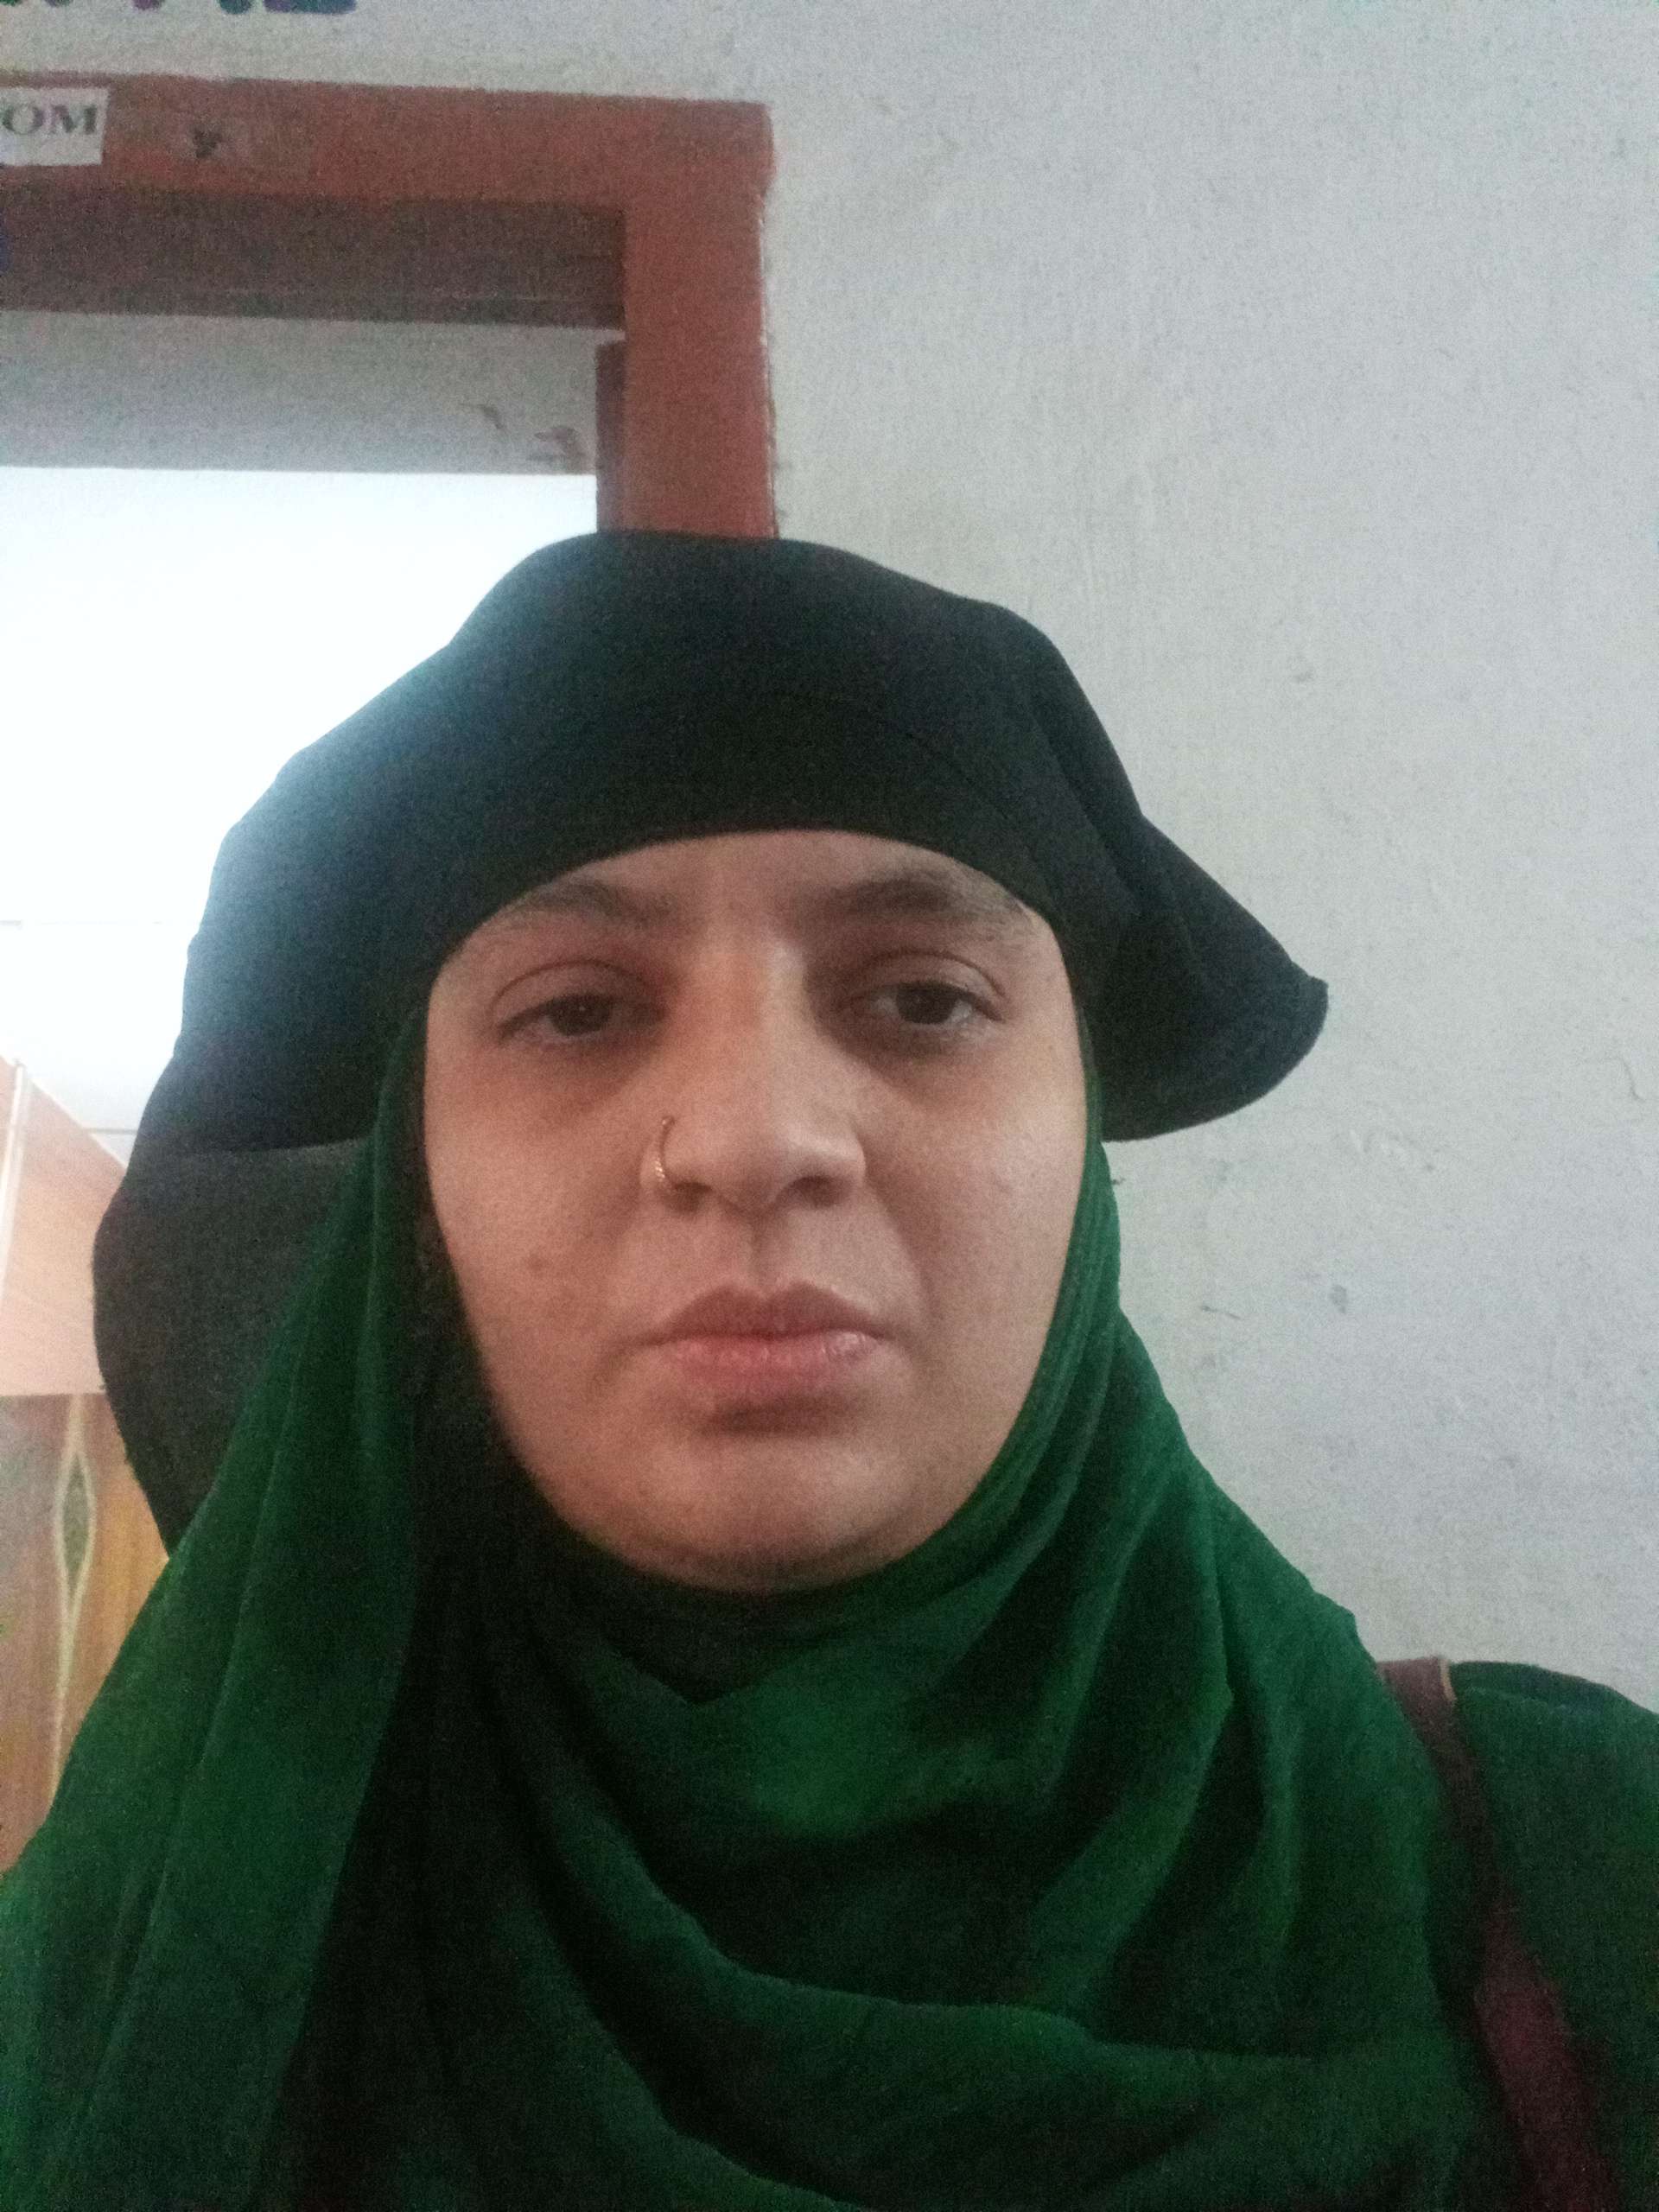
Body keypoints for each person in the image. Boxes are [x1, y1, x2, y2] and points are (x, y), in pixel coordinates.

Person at [1, 533, 1653, 2210]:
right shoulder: (135, 1988)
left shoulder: (1598, 1878)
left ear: (1079, 1130)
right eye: (576, 1012)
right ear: (418, 1188)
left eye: (923, 999)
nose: (753, 1136)